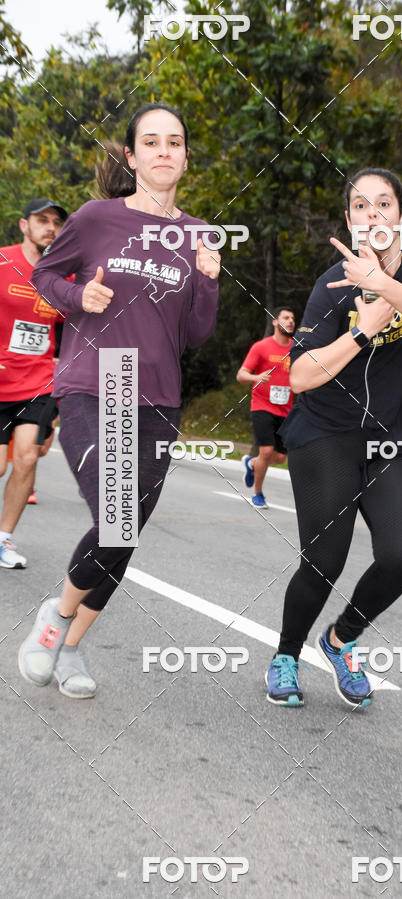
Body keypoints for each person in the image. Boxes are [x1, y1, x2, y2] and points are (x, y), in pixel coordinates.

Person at [18, 102, 219, 698]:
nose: (163, 151)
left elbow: (196, 335)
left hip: (158, 396)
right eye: (150, 142)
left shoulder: (198, 235)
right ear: (132, 157)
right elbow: (44, 277)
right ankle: (55, 620)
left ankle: (69, 646)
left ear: (186, 157)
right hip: (95, 381)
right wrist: (79, 298)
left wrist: (208, 281)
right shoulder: (96, 219)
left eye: (174, 142)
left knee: (122, 534)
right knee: (117, 516)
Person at [265, 167, 402, 708]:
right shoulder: (331, 285)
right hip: (326, 432)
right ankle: (285, 654)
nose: (373, 214)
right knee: (325, 560)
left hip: (394, 437)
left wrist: (382, 285)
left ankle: (340, 638)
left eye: (384, 204)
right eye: (361, 206)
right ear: (349, 220)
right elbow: (300, 375)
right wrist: (361, 327)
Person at [0, 198, 68, 568]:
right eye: (42, 220)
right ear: (24, 225)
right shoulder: (2, 261)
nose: (50, 228)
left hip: (39, 383)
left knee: (27, 457)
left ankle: (3, 539)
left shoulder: (62, 277)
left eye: (56, 222)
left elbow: (73, 326)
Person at [236, 306, 295, 508]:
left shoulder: (296, 349)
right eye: (286, 318)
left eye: (293, 318)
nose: (290, 321)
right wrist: (256, 377)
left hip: (286, 409)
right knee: (267, 451)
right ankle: (258, 494)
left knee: (280, 457)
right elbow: (241, 375)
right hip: (262, 406)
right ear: (275, 321)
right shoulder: (261, 347)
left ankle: (252, 463)